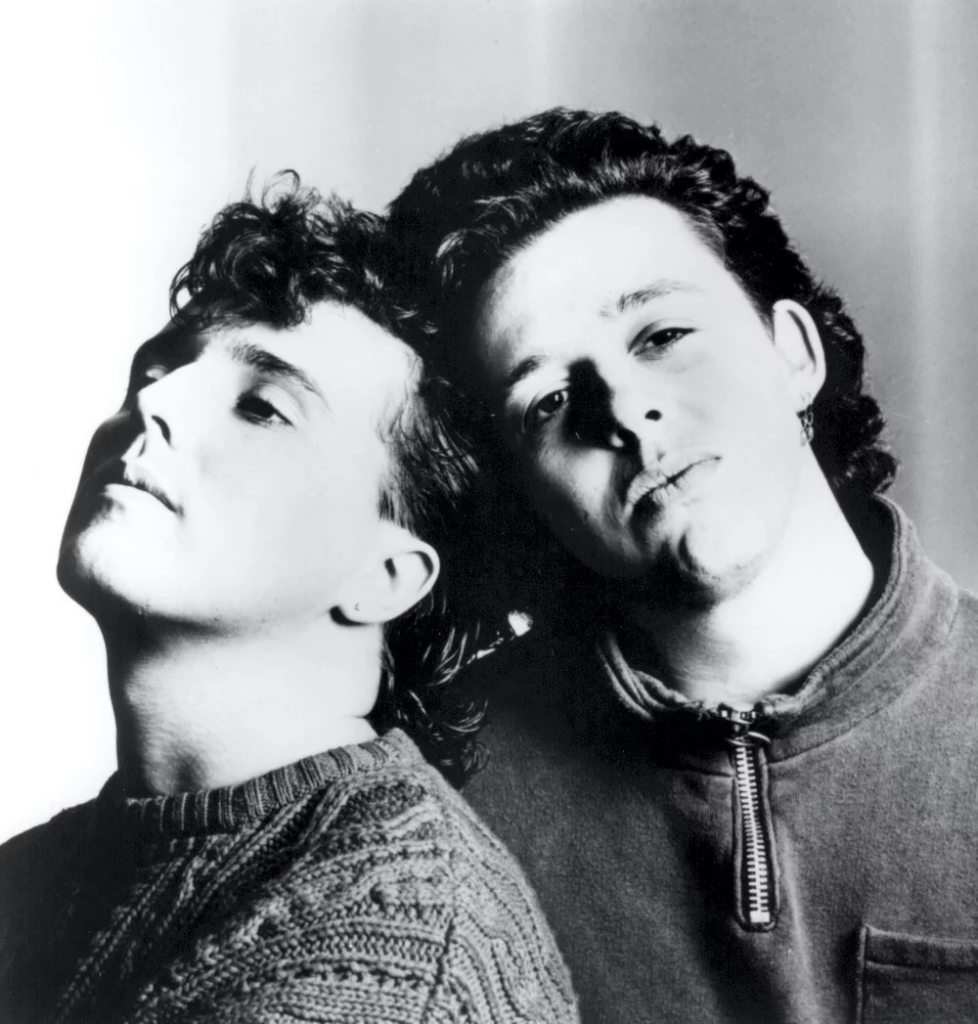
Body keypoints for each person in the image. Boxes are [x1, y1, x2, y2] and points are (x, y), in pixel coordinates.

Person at [385, 109, 978, 1024]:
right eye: (547, 399)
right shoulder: (439, 795)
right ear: (520, 490)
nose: (625, 410)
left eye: (661, 335)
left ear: (795, 354)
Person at [0, 178, 578, 1024]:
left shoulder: (399, 954)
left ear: (386, 576)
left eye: (262, 408)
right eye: (155, 372)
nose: (153, 403)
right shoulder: (37, 879)